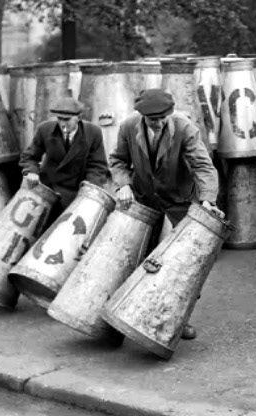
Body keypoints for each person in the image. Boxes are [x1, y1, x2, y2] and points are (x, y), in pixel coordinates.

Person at [109, 88, 222, 340]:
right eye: (152, 119)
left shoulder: (185, 128)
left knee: (185, 264)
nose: (158, 123)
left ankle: (178, 319)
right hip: (146, 200)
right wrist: (124, 184)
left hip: (178, 201)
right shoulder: (128, 127)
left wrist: (207, 200)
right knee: (139, 258)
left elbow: (203, 165)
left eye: (163, 118)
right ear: (141, 117)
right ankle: (132, 314)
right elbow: (118, 160)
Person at [19, 96, 109, 212]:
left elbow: (98, 166)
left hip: (76, 192)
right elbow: (29, 157)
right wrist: (31, 172)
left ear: (79, 118)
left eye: (67, 119)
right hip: (48, 190)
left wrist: (88, 189)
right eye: (59, 119)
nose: (62, 124)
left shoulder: (93, 132)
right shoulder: (44, 129)